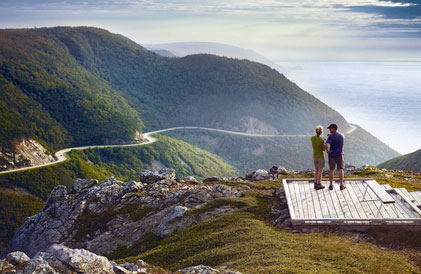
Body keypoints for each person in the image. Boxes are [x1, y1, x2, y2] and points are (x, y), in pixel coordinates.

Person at [325, 123, 345, 190]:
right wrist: (331, 135)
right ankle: (341, 185)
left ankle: (331, 185)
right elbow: (337, 138)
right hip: (340, 155)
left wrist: (327, 151)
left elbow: (327, 144)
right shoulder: (342, 135)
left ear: (333, 129)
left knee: (331, 170)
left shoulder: (330, 137)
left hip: (332, 155)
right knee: (340, 170)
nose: (329, 130)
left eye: (330, 129)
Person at [311, 125, 325, 190]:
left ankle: (315, 182)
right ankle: (319, 183)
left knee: (316, 170)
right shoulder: (321, 140)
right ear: (321, 132)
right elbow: (323, 149)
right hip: (320, 156)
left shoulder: (312, 138)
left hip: (314, 156)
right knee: (320, 171)